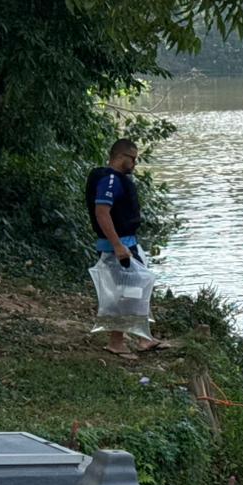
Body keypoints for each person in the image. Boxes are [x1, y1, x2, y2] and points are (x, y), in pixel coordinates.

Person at [86, 138, 158, 356]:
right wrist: (117, 246)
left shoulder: (117, 179)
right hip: (117, 247)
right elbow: (102, 213)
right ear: (120, 156)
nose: (135, 164)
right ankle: (116, 342)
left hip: (129, 244)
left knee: (136, 289)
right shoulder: (109, 180)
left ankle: (143, 338)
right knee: (124, 293)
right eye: (133, 159)